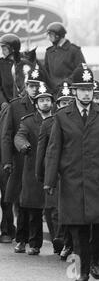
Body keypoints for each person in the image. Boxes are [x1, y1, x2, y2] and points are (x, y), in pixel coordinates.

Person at [44, 64, 99, 281]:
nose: (87, 93)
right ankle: (82, 271)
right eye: (82, 89)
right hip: (72, 182)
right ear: (74, 91)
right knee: (78, 231)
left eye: (90, 88)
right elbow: (54, 149)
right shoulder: (62, 117)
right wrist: (50, 180)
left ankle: (98, 257)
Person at [1, 63, 43, 247]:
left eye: (37, 86)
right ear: (25, 87)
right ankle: (19, 236)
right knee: (19, 200)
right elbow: (6, 135)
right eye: (31, 85)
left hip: (40, 161)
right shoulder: (15, 106)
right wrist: (7, 161)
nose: (34, 89)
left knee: (35, 203)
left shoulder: (47, 104)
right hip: (20, 160)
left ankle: (31, 240)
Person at [13, 82, 54, 255]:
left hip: (53, 169)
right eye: (41, 100)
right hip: (32, 169)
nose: (45, 103)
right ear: (36, 104)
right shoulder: (28, 121)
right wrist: (23, 146)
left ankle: (50, 244)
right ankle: (27, 241)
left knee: (51, 208)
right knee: (30, 207)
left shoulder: (58, 119)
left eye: (47, 100)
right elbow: (19, 136)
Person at [35, 82, 74, 257]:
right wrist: (40, 174)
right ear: (57, 105)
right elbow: (42, 152)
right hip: (56, 173)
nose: (66, 105)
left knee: (72, 210)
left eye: (69, 102)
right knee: (55, 210)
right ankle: (62, 241)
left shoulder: (80, 122)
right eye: (63, 103)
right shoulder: (49, 123)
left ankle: (69, 241)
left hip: (74, 172)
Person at [44, 22, 85, 91]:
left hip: (69, 90)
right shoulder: (49, 52)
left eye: (51, 35)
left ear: (58, 35)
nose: (49, 38)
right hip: (52, 91)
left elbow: (81, 69)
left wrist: (68, 82)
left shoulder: (74, 50)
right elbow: (45, 72)